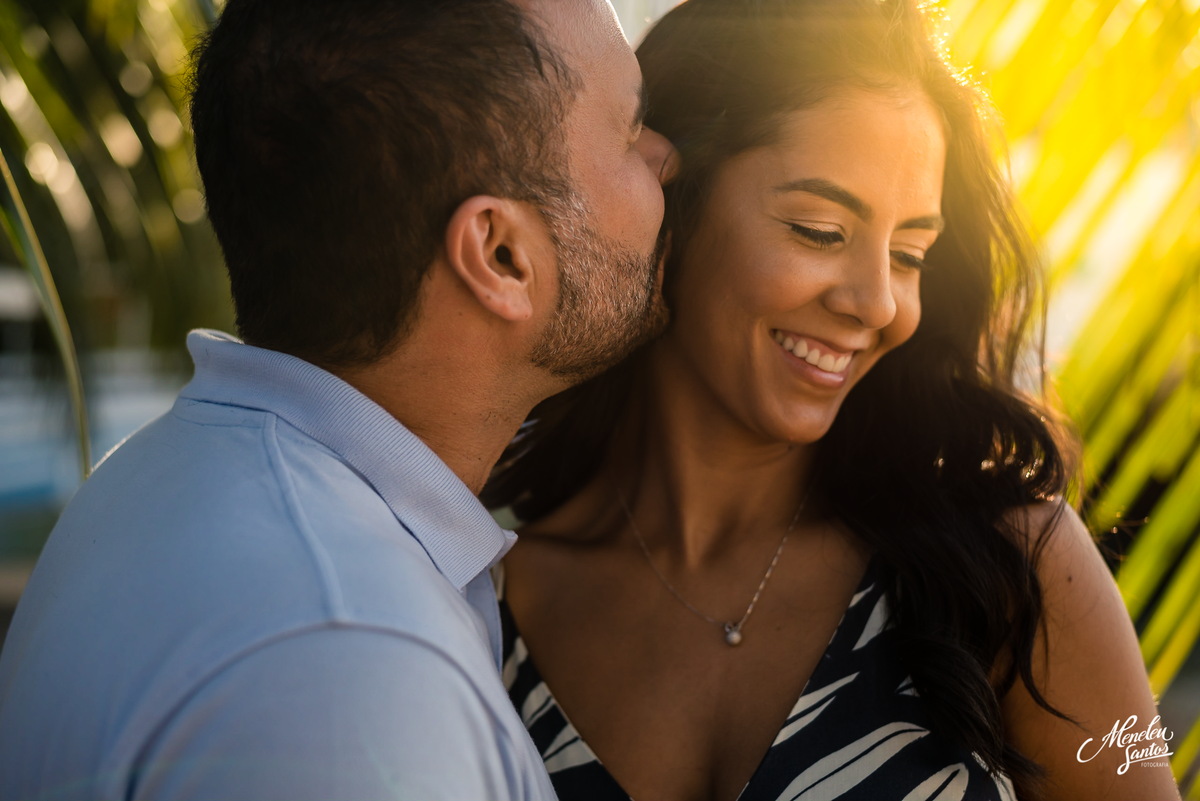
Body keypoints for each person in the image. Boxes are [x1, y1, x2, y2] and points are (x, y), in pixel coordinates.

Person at [483, 0, 1182, 799]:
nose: (878, 302)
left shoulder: (1010, 563)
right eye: (820, 231)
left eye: (912, 252)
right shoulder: (490, 605)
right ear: (668, 201)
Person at [0, 0, 675, 798]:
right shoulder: (350, 663)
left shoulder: (169, 479)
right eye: (630, 131)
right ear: (500, 255)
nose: (667, 156)